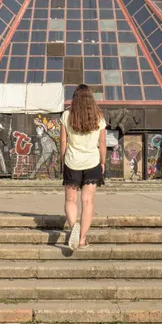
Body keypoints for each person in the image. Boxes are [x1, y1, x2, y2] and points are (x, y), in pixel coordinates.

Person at [61, 84, 106, 250]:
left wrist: (62, 159)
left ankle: (74, 227)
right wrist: (103, 162)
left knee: (70, 200)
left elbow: (64, 141)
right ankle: (82, 239)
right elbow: (102, 143)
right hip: (92, 162)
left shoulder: (67, 115)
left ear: (75, 98)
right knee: (88, 201)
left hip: (72, 161)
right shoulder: (99, 116)